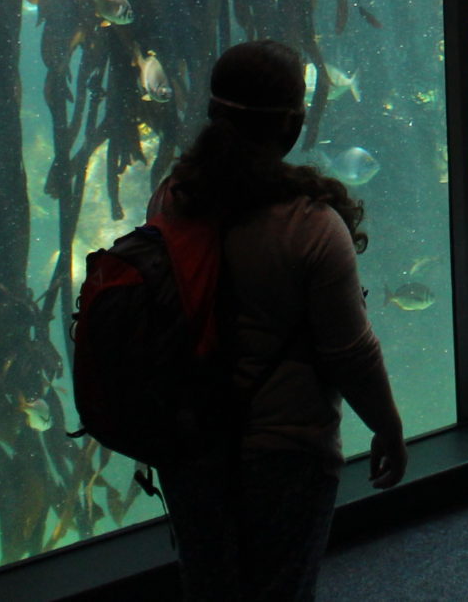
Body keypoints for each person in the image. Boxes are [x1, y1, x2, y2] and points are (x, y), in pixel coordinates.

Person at [154, 40, 406, 602]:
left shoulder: (171, 201)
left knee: (209, 590)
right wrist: (386, 426)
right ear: (292, 127)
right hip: (285, 451)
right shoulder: (312, 226)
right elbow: (350, 353)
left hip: (190, 441)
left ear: (214, 114)